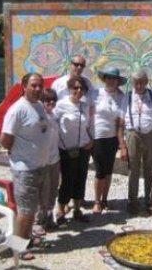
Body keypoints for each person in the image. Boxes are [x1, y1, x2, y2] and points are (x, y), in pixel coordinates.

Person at [0, 73, 50, 260]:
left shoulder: (38, 105)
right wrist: (21, 153)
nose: (38, 89)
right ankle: (18, 248)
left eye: (40, 86)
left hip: (39, 166)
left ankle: (26, 239)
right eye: (34, 86)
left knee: (32, 209)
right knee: (25, 211)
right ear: (24, 87)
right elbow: (5, 140)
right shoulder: (17, 109)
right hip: (25, 168)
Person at [122, 69, 152, 216]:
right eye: (136, 82)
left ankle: (150, 201)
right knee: (133, 168)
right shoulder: (128, 96)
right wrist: (123, 143)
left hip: (150, 134)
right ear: (132, 82)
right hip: (133, 134)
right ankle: (132, 201)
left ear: (146, 82)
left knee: (150, 169)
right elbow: (121, 117)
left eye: (141, 82)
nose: (139, 85)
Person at [54, 77, 93, 224]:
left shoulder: (85, 105)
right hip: (66, 149)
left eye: (81, 89)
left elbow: (87, 126)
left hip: (83, 147)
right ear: (69, 88)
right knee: (67, 180)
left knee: (80, 178)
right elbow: (54, 124)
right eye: (75, 88)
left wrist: (91, 141)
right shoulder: (61, 105)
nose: (78, 91)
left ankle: (77, 209)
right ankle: (60, 210)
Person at [91, 67, 127, 213]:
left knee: (108, 170)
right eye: (109, 77)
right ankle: (97, 201)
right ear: (104, 79)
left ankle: (105, 199)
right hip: (97, 136)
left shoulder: (121, 96)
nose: (112, 81)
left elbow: (120, 120)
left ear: (118, 81)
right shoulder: (95, 93)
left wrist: (121, 142)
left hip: (112, 137)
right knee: (100, 170)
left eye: (115, 78)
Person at [34, 89, 61, 234]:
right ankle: (39, 220)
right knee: (42, 191)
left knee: (53, 190)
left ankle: (49, 215)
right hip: (42, 160)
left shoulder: (54, 115)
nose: (51, 102)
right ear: (42, 101)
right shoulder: (39, 116)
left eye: (53, 100)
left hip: (54, 159)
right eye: (47, 100)